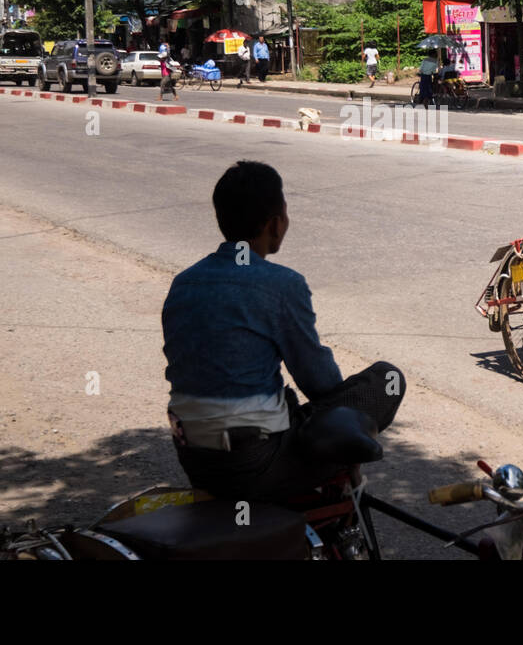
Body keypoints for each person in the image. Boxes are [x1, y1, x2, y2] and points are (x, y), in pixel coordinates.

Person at [162, 161, 405, 501]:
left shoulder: (183, 283)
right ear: (276, 224)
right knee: (386, 378)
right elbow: (320, 384)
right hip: (256, 464)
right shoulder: (280, 284)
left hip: (195, 460)